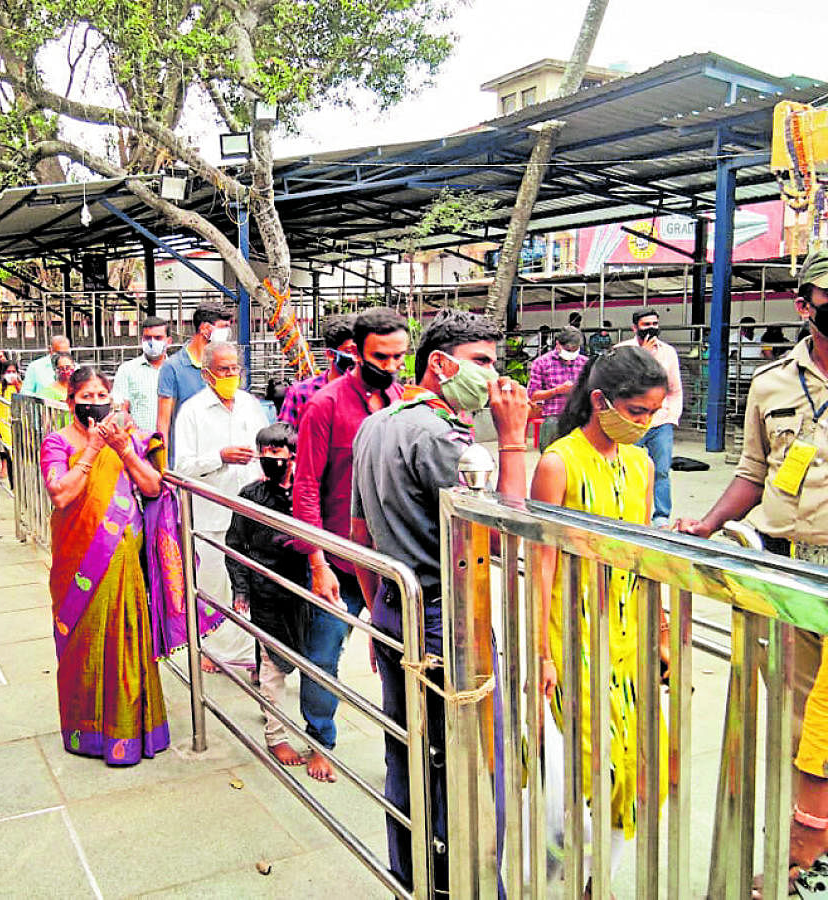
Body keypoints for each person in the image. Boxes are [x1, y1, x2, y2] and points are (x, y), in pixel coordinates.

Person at [351, 308, 529, 891]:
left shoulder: (377, 424)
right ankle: (471, 882)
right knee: (472, 760)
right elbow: (504, 532)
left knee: (408, 749)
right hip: (444, 618)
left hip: (395, 605)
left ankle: (414, 876)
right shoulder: (438, 436)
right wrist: (511, 439)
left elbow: (359, 535)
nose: (492, 376)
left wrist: (381, 613)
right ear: (440, 364)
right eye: (481, 363)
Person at [675, 249, 828, 893]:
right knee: (801, 725)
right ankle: (811, 860)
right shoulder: (770, 384)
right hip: (792, 571)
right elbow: (752, 473)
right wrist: (705, 524)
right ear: (806, 305)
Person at [531, 346, 671, 883]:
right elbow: (539, 562)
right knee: (592, 762)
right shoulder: (557, 464)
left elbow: (642, 554)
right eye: (636, 412)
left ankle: (597, 882)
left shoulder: (641, 463)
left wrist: (658, 632)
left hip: (628, 633)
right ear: (599, 400)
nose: (644, 423)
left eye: (652, 414)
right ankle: (566, 866)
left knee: (636, 767)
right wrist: (540, 652)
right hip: (573, 635)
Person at [294, 306, 407, 783]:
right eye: (382, 356)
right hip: (339, 560)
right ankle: (320, 740)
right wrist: (317, 561)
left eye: (401, 356)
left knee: (401, 663)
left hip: (390, 562)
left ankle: (402, 755)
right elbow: (305, 488)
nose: (393, 365)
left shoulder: (404, 400)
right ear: (355, 353)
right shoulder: (326, 405)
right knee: (323, 655)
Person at [40, 366, 170, 765]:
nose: (94, 403)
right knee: (84, 641)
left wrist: (124, 450)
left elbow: (151, 487)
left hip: (124, 558)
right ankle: (88, 734)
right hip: (79, 560)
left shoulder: (126, 438)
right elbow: (60, 495)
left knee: (128, 639)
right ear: (70, 401)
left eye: (101, 396)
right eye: (86, 397)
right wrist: (94, 448)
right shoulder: (57, 442)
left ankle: (130, 732)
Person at [172, 341, 269, 673]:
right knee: (214, 584)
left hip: (250, 514)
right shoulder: (193, 411)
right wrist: (219, 458)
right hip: (211, 515)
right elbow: (181, 467)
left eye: (235, 369)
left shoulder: (249, 405)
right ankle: (212, 649)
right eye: (224, 369)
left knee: (249, 586)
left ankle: (249, 653)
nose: (231, 375)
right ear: (207, 373)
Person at [225, 422, 309, 767]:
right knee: (272, 666)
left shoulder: (306, 492)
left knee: (310, 662)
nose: (269, 458)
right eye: (265, 451)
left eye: (277, 451)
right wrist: (241, 587)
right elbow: (236, 543)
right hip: (266, 594)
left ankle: (315, 733)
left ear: (294, 454)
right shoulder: (251, 495)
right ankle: (276, 734)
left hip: (304, 592)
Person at [616, 308, 682, 525]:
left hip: (660, 422)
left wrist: (672, 415)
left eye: (655, 323)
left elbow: (674, 388)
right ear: (635, 328)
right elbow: (622, 386)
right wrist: (642, 354)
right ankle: (629, 513)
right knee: (628, 470)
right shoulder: (622, 351)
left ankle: (661, 516)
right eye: (646, 324)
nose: (652, 328)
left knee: (662, 471)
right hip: (631, 422)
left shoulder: (668, 352)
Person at [156, 301, 233, 442]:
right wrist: (163, 462)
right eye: (224, 327)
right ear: (205, 328)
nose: (228, 333)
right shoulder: (173, 367)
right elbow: (163, 423)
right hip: (186, 456)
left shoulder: (226, 365)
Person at [278, 314, 357, 430]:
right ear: (331, 354)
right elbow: (281, 440)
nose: (357, 357)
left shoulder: (372, 393)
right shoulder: (301, 393)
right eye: (350, 351)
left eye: (360, 350)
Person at [527, 324, 588, 449]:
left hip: (578, 416)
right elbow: (533, 395)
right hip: (553, 416)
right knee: (550, 451)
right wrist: (557, 390)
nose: (571, 353)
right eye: (568, 349)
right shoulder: (542, 362)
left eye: (574, 349)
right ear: (558, 344)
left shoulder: (584, 362)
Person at [111, 317, 170, 434]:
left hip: (173, 443)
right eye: (148, 338)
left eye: (158, 338)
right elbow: (119, 410)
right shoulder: (127, 370)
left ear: (169, 341)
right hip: (139, 444)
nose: (152, 342)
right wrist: (126, 435)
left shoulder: (176, 370)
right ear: (141, 340)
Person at [0, 355, 22, 482]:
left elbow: (24, 398)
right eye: (8, 372)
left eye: (13, 372)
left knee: (17, 448)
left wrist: (17, 386)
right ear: (3, 374)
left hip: (17, 422)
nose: (11, 375)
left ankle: (16, 471)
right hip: (2, 422)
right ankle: (10, 472)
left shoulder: (20, 385)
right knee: (8, 448)